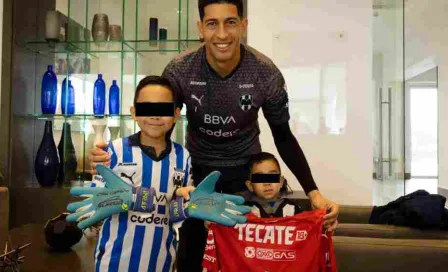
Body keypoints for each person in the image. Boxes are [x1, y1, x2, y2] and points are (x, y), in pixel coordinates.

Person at [88, 1, 339, 271]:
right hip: (194, 176)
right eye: (212, 24)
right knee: (189, 259)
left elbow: (283, 136)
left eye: (230, 22)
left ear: (243, 26)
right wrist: (117, 156)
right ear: (200, 28)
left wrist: (314, 193)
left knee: (244, 262)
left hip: (244, 178)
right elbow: (159, 125)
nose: (222, 34)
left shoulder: (266, 74)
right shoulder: (180, 70)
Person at [86, 76, 194, 272]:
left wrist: (189, 205)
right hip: (115, 263)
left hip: (162, 262)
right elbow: (94, 206)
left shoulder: (183, 157)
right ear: (134, 112)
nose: (155, 116)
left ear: (176, 114)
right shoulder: (113, 152)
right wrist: (129, 198)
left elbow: (174, 215)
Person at [244, 152, 303, 218]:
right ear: (250, 185)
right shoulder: (246, 211)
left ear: (281, 182)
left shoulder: (294, 209)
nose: (267, 183)